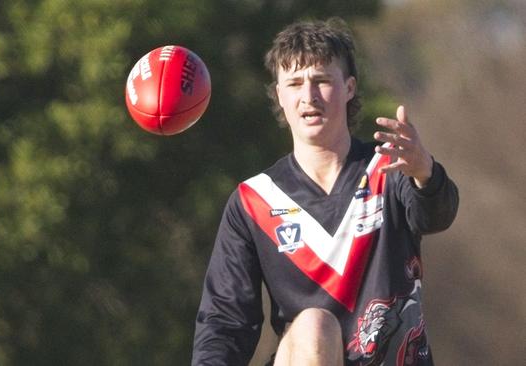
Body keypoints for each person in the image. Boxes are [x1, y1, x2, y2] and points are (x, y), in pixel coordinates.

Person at [192, 18, 459, 366]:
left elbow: (437, 214)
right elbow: (225, 322)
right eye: (295, 83)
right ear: (278, 95)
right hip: (305, 354)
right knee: (314, 327)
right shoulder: (253, 201)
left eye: (321, 80)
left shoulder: (390, 169)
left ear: (349, 88)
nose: (309, 96)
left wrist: (425, 172)